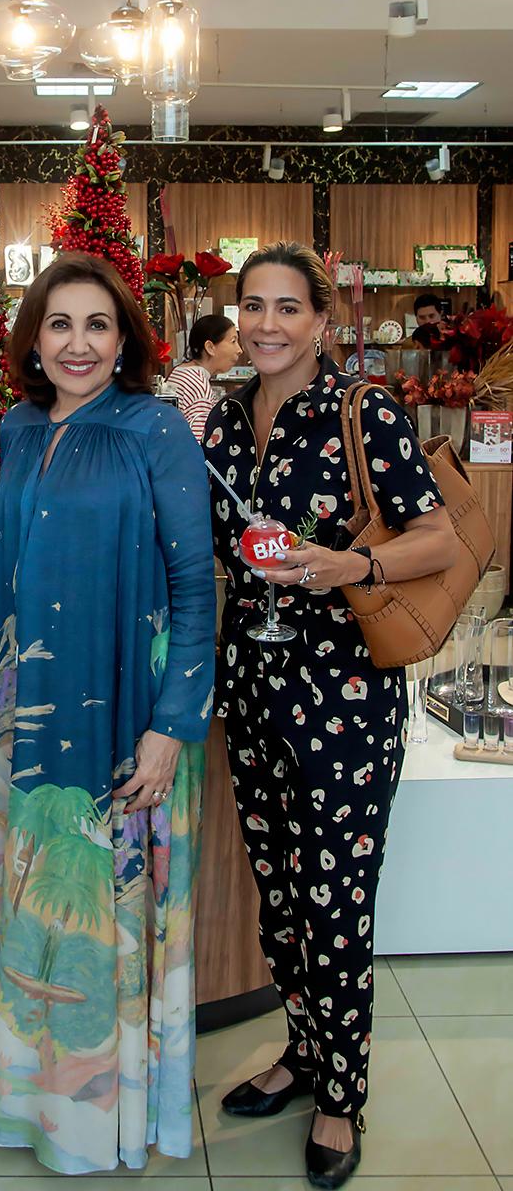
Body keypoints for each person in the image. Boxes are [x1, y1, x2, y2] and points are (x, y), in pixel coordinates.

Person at [0, 252, 216, 1174]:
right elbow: (9, 545)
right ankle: (20, 1094)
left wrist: (172, 726)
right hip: (17, 710)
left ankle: (97, 1115)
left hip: (122, 712)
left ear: (124, 337)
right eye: (59, 324)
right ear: (34, 339)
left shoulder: (154, 428)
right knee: (23, 904)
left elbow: (196, 586)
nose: (78, 343)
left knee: (95, 911)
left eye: (97, 325)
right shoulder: (16, 426)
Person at [203, 242, 457, 1189]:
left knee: (337, 900)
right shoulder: (225, 423)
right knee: (279, 894)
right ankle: (301, 1053)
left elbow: (434, 534)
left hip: (343, 696)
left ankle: (342, 1095)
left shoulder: (363, 411)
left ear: (320, 320)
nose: (267, 325)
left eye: (286, 308)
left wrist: (353, 565)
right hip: (254, 688)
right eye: (252, 307)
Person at [166, 314, 242, 442]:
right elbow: (200, 443)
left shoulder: (181, 371)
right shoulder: (198, 383)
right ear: (210, 348)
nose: (239, 350)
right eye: (233, 341)